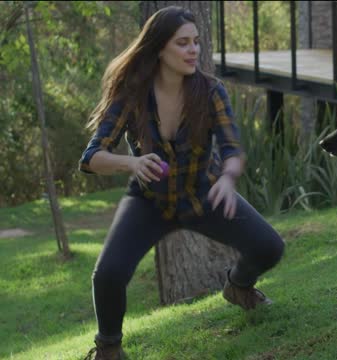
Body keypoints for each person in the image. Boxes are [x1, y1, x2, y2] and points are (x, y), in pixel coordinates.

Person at [79, 6, 284, 360]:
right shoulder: (132, 95)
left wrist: (229, 178)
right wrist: (132, 162)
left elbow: (232, 147)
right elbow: (92, 157)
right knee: (107, 275)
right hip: (148, 202)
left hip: (203, 193)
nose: (193, 51)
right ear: (160, 48)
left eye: (196, 43)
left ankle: (238, 286)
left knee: (270, 247)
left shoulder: (211, 91)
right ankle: (109, 348)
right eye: (183, 43)